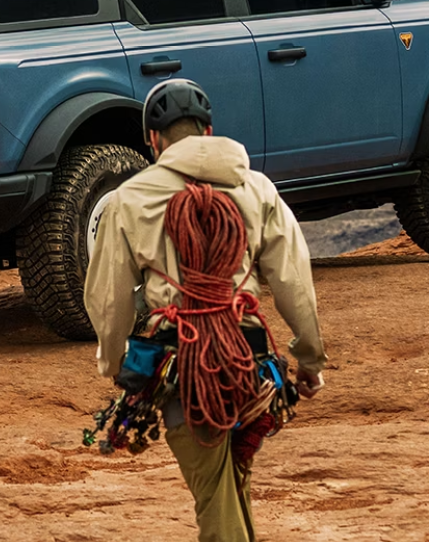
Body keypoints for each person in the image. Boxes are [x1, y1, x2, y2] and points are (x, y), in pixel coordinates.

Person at [85, 79, 327, 542]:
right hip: (251, 369)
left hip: (182, 370)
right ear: (209, 129)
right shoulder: (257, 189)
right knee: (230, 488)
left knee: (216, 499)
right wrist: (310, 362)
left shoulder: (128, 200)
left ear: (153, 140)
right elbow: (294, 281)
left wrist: (114, 364)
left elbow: (108, 299)